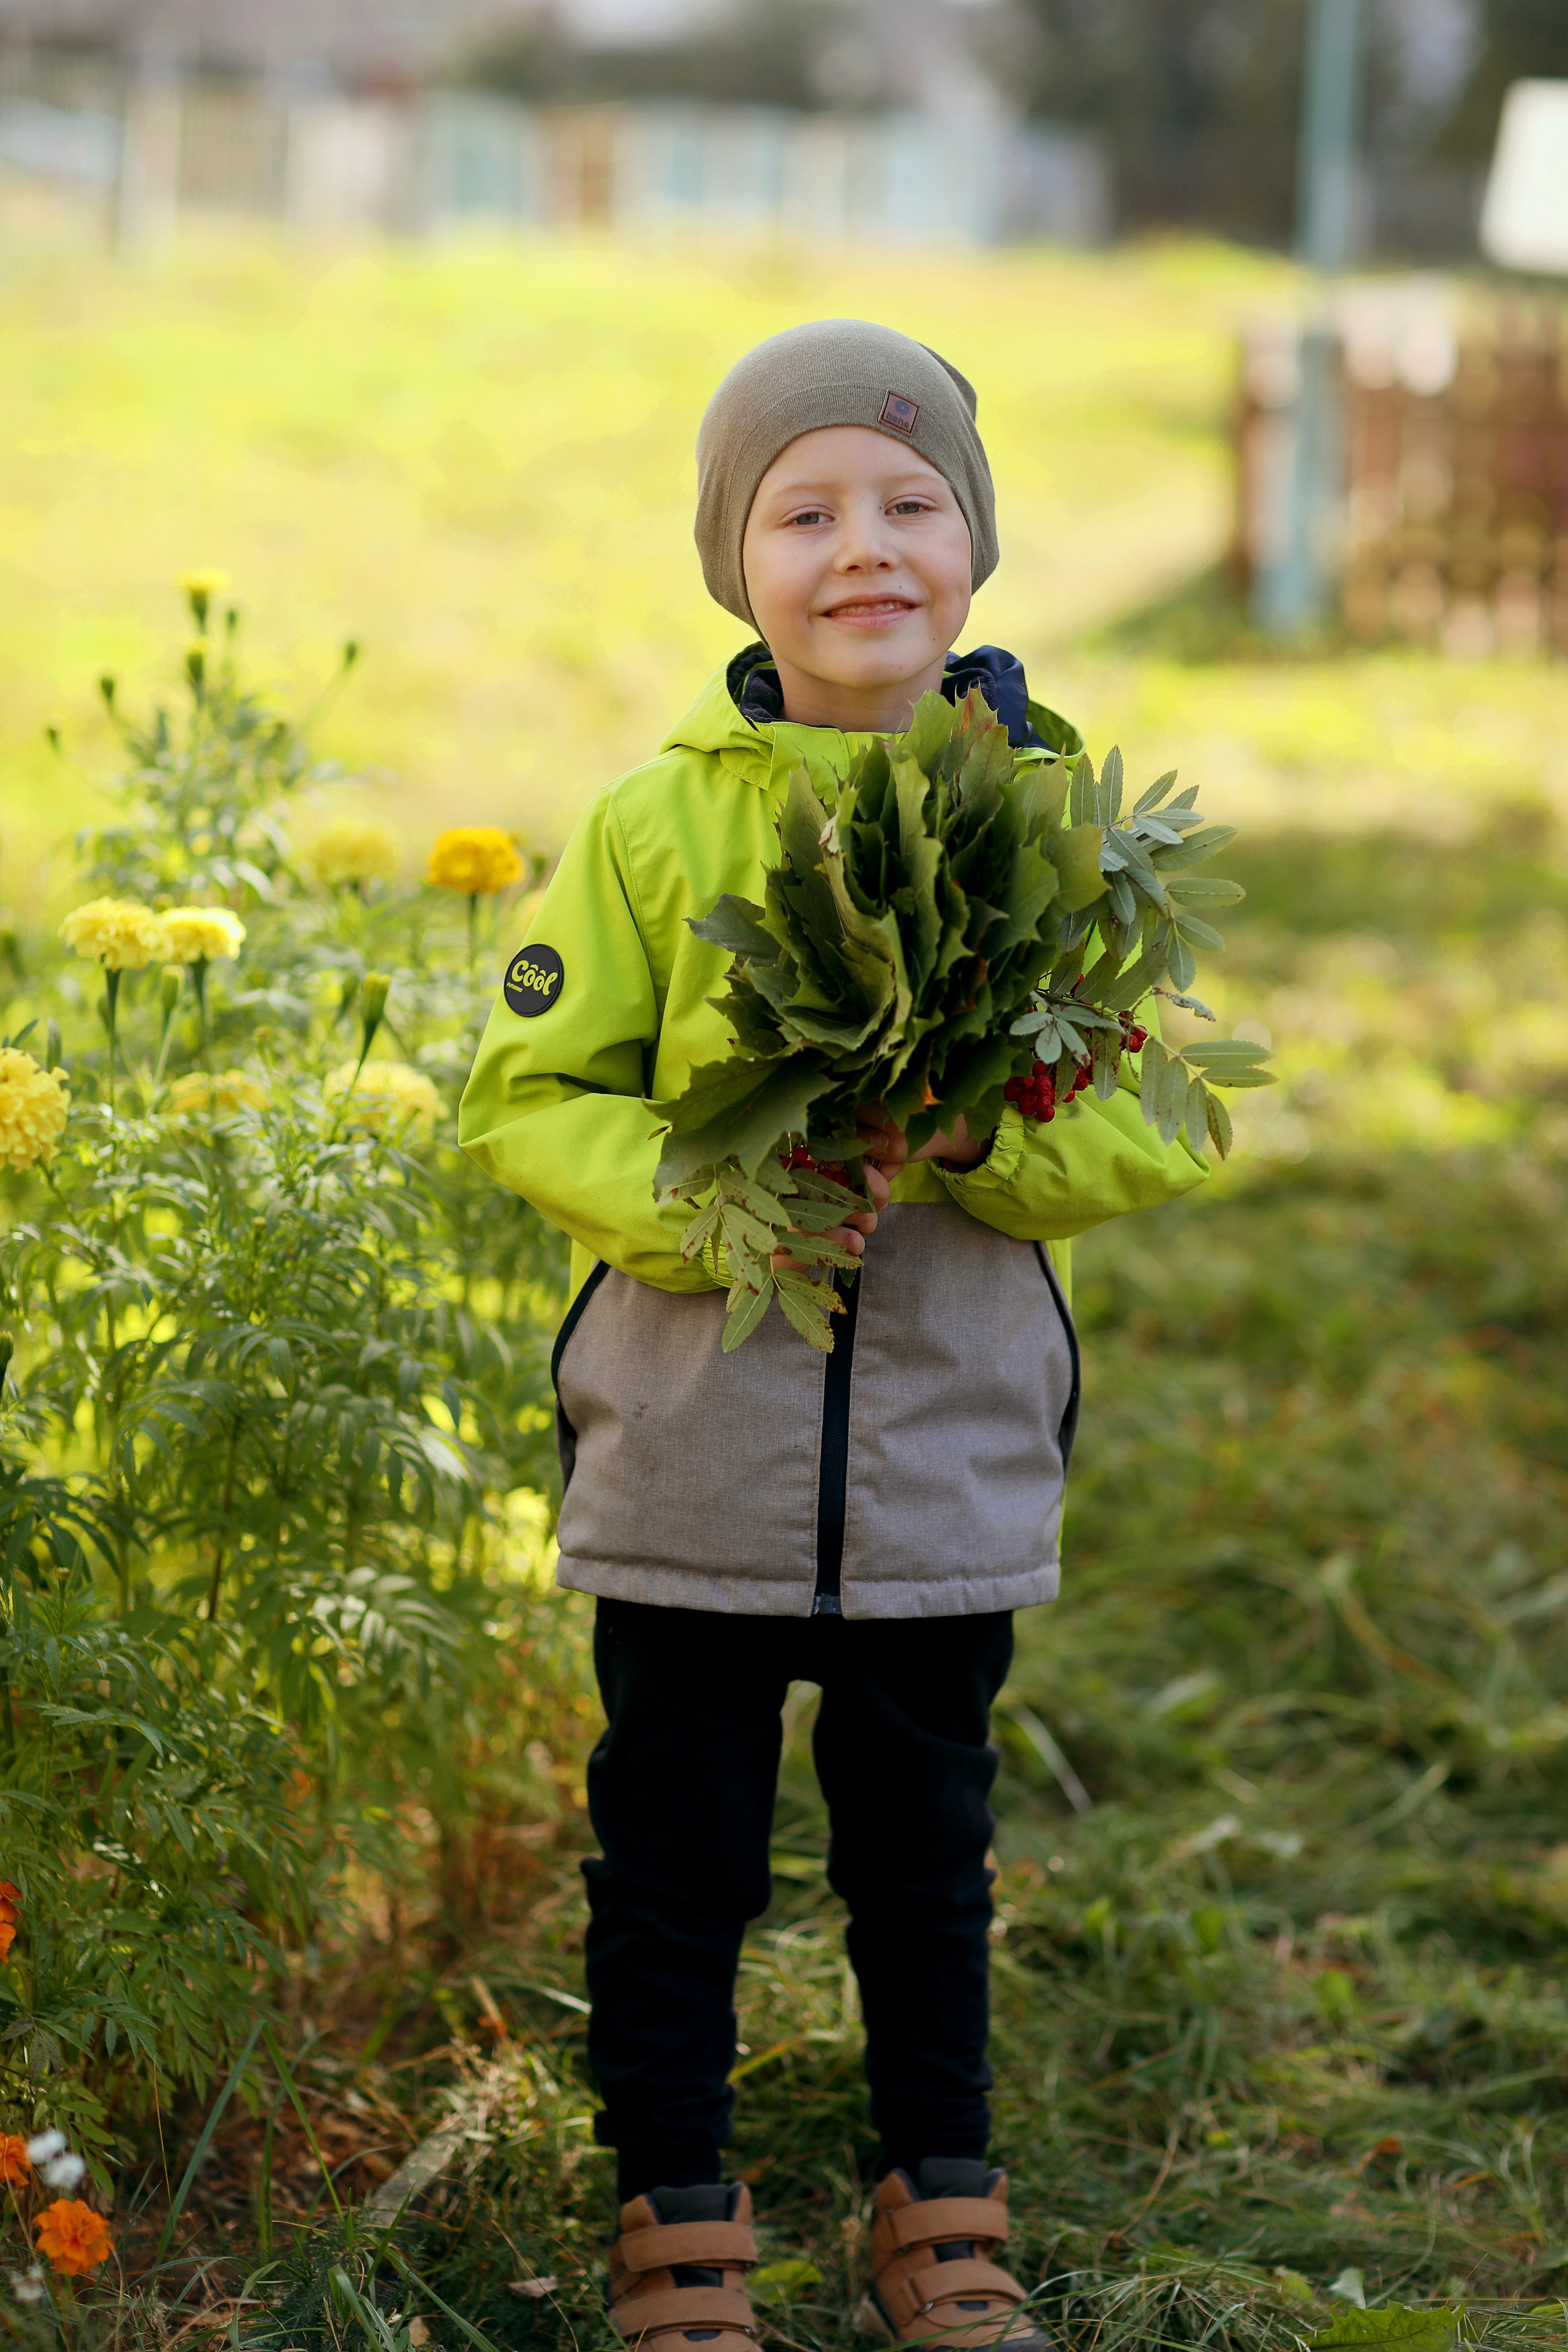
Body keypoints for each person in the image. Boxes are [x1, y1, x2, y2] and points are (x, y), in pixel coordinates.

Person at [459, 319, 1208, 2350]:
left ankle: (940, 2211)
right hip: (696, 1452)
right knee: (676, 1859)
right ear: (737, 565)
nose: (861, 545)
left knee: (927, 1856)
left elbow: (1146, 1113)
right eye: (803, 511)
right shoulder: (650, 828)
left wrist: (985, 1131)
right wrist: (715, 1206)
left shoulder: (1055, 827)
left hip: (946, 1457)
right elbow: (525, 1092)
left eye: (910, 501)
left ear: (975, 547)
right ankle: (675, 2217)